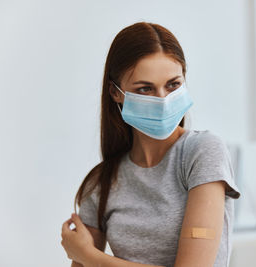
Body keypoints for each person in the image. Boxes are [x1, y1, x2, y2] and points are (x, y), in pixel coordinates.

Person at [61, 21, 241, 267]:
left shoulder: (203, 152)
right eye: (145, 89)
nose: (163, 100)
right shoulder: (101, 182)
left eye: (173, 85)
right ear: (115, 92)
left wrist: (89, 256)